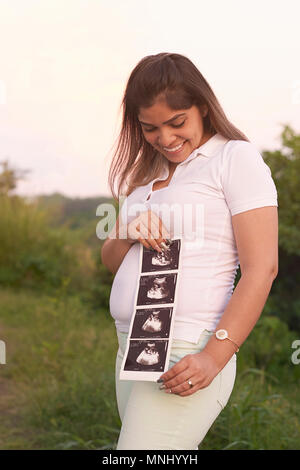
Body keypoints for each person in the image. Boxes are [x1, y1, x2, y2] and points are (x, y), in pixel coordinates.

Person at [101, 52, 278, 450]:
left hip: (186, 347)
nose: (165, 138)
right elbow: (113, 262)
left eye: (176, 123)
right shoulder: (146, 174)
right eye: (150, 128)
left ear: (201, 105)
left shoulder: (235, 158)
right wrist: (125, 232)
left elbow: (262, 268)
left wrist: (214, 357)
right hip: (130, 345)